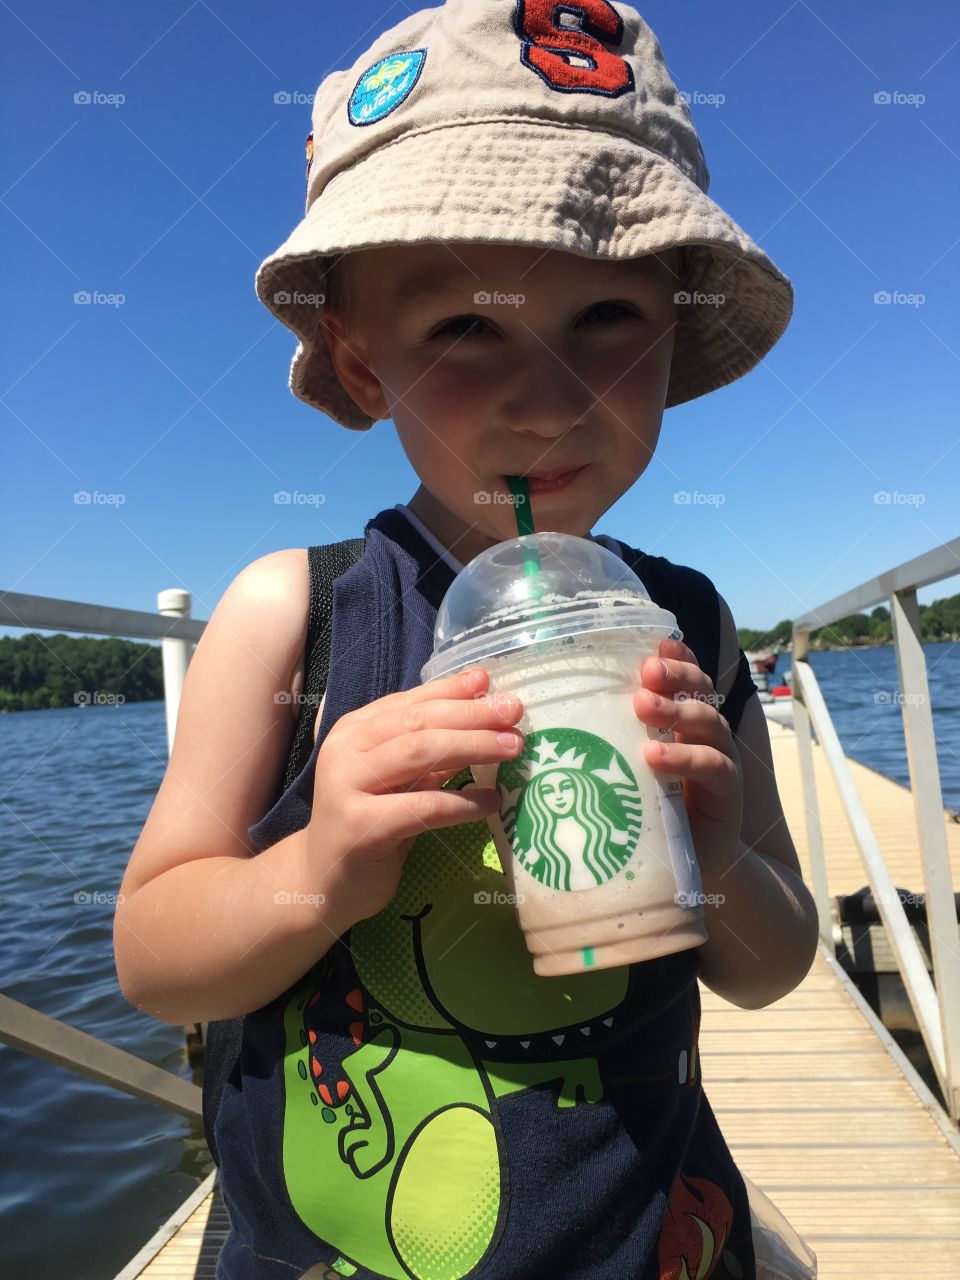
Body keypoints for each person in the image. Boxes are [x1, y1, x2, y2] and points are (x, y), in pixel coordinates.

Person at [113, 2, 819, 1277]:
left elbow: (772, 966)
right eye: (465, 328)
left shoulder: (693, 625)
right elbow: (155, 955)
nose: (547, 395)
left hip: (651, 1239)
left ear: (674, 330)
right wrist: (318, 868)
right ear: (361, 358)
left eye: (608, 313)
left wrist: (719, 863)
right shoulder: (300, 616)